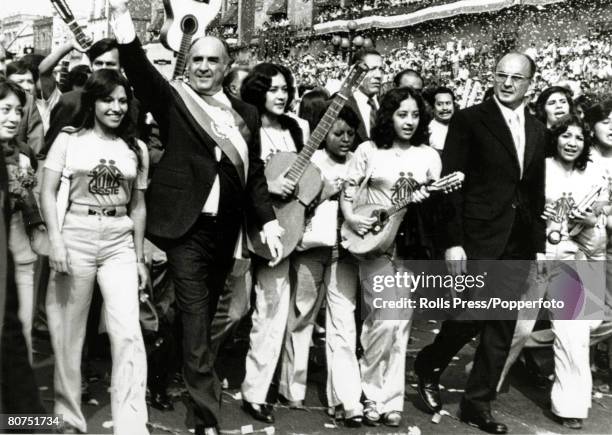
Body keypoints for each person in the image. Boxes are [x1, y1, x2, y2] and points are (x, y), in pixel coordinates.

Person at [109, 2, 283, 434]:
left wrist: (268, 220)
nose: (203, 67)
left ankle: (180, 387)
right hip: (185, 231)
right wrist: (126, 36)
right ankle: (206, 420)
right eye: (198, 59)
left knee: (198, 323)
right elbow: (143, 76)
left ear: (228, 67)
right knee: (195, 317)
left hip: (224, 233)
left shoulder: (246, 114)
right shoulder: (175, 100)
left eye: (213, 60)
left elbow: (254, 171)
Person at [414, 52, 546, 434]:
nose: (507, 83)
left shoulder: (537, 130)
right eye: (501, 75)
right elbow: (451, 186)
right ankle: (430, 360)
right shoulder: (469, 119)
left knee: (502, 323)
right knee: (473, 314)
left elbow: (535, 192)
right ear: (492, 77)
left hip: (518, 240)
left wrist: (537, 247)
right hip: (478, 236)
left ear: (528, 83)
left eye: (516, 78)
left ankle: (478, 405)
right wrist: (453, 242)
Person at [41, 69, 149, 435]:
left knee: (129, 333)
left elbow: (138, 207)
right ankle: (69, 417)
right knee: (71, 334)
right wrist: (56, 240)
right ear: (93, 102)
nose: (116, 108)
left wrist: (138, 259)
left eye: (122, 101)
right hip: (76, 235)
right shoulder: (70, 141)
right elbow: (47, 191)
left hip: (119, 240)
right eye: (108, 100)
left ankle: (132, 422)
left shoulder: (136, 148)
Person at [500, 114, 608, 430]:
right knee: (516, 328)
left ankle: (570, 405)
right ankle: (486, 383)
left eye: (577, 137)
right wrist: (537, 214)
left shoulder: (594, 173)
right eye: (565, 136)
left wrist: (591, 221)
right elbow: (516, 210)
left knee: (574, 334)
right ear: (555, 138)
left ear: (585, 141)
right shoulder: (539, 167)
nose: (571, 143)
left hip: (575, 258)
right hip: (537, 254)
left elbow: (599, 234)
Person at [341, 87, 440, 427]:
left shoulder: (429, 155)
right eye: (402, 114)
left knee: (401, 323)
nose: (409, 121)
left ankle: (391, 399)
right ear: (388, 116)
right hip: (374, 243)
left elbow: (436, 209)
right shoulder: (369, 150)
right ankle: (371, 394)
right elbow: (349, 188)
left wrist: (427, 198)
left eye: (414, 115)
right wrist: (353, 218)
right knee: (383, 319)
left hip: (410, 246)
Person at [239, 62, 305, 423]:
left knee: (274, 308)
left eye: (285, 89)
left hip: (285, 226)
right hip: (248, 224)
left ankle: (258, 391)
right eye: (273, 89)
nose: (281, 95)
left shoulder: (294, 129)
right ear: (258, 90)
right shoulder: (247, 126)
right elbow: (242, 172)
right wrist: (267, 185)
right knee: (236, 309)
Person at [344, 48, 384, 144]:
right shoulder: (340, 105)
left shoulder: (386, 104)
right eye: (372, 69)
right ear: (356, 71)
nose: (378, 75)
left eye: (381, 69)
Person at [6, 60, 44, 155]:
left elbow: (37, 146)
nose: (27, 87)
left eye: (30, 82)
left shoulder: (29, 102)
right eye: (20, 81)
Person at [428, 86, 455, 153]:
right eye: (439, 104)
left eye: (448, 103)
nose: (445, 108)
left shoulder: (462, 126)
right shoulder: (429, 129)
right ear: (433, 108)